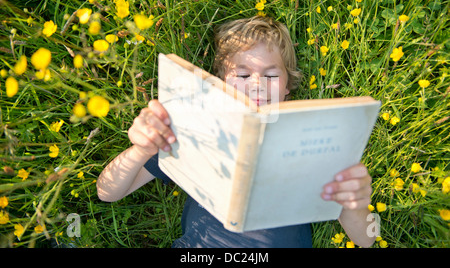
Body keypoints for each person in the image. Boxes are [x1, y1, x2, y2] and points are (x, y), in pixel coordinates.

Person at [97, 16, 376, 248]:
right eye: (242, 76)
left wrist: (354, 203)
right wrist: (142, 149)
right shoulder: (195, 129)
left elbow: (366, 240)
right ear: (221, 84)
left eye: (271, 75)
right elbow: (107, 192)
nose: (257, 85)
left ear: (288, 86)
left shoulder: (314, 146)